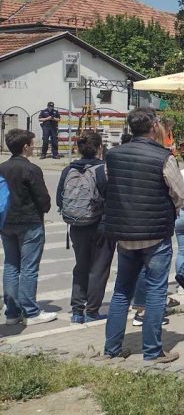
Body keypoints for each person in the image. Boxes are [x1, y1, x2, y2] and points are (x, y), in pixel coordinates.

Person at [102, 108, 183, 362]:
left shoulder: (112, 156)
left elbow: (109, 185)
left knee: (121, 291)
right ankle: (152, 350)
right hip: (156, 233)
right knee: (156, 291)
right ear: (153, 127)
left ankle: (112, 349)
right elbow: (179, 194)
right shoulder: (164, 157)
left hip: (124, 233)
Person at [0, 129, 56, 325]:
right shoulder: (31, 169)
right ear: (26, 146)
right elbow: (43, 199)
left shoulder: (2, 168)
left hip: (6, 222)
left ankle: (12, 313)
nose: (34, 147)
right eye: (32, 144)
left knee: (10, 265)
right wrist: (45, 207)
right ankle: (31, 312)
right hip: (29, 222)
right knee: (29, 268)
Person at [57, 130, 113, 324]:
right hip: (100, 224)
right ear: (99, 148)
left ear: (78, 149)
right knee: (99, 267)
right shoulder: (103, 170)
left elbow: (59, 199)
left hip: (76, 224)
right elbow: (111, 198)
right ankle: (92, 310)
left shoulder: (68, 170)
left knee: (81, 266)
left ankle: (77, 311)